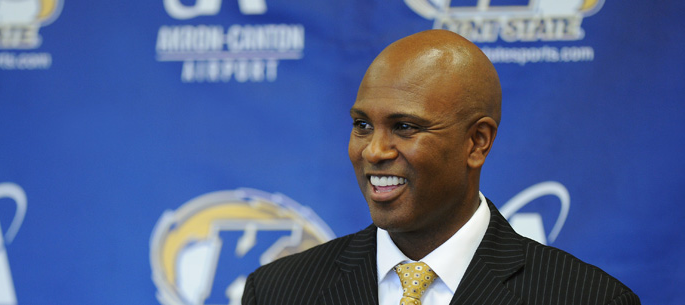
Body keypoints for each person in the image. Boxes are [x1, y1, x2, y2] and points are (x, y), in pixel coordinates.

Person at [241, 30, 640, 305]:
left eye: (405, 127)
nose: (374, 151)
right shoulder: (279, 290)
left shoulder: (587, 297)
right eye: (363, 125)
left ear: (477, 142)